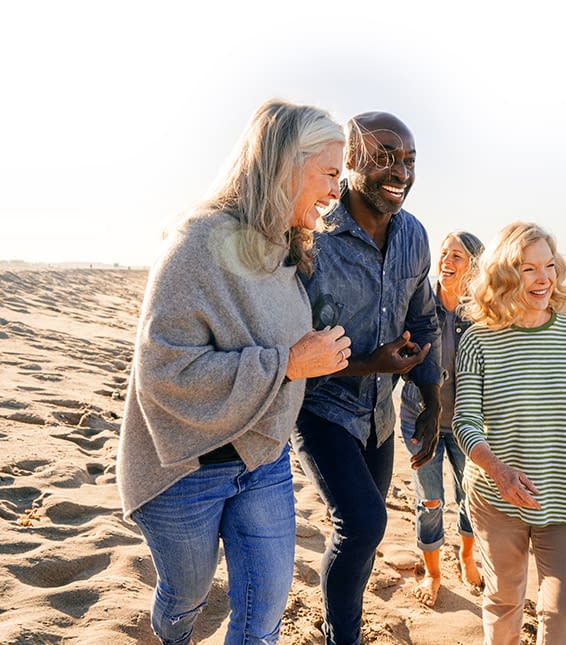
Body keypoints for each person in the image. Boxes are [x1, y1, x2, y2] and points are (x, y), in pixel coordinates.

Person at [116, 99, 352, 645]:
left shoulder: (287, 247)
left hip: (263, 458)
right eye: (329, 175)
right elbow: (164, 371)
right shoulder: (195, 241)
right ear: (285, 165)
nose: (336, 191)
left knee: (262, 618)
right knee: (185, 599)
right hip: (184, 469)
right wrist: (290, 363)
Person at [291, 111, 442, 645]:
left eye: (408, 160)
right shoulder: (313, 238)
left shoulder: (414, 235)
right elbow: (291, 351)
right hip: (319, 407)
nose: (400, 171)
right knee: (362, 524)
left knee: (359, 533)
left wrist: (431, 399)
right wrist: (368, 362)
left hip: (379, 416)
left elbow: (424, 319)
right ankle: (343, 636)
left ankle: (341, 620)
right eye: (385, 157)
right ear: (350, 161)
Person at [453, 221, 566, 645]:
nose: (543, 278)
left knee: (565, 610)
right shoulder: (478, 340)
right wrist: (500, 472)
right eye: (527, 269)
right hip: (496, 497)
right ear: (505, 275)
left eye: (548, 266)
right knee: (504, 598)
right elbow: (465, 421)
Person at [399, 230, 485, 608]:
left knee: (471, 496)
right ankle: (433, 572)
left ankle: (466, 555)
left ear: (474, 267)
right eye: (445, 254)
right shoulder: (419, 305)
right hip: (420, 418)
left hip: (469, 424)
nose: (446, 262)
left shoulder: (483, 313)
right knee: (430, 500)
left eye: (457, 257)